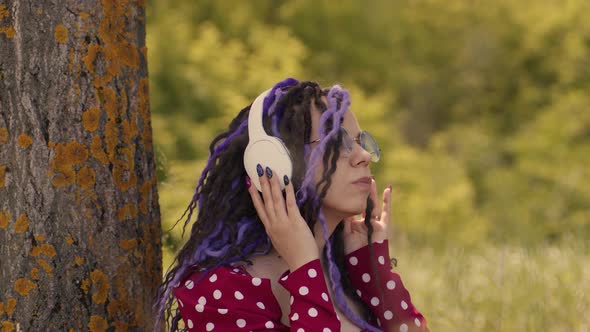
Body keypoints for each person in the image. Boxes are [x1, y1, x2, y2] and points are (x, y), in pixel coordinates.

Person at [154, 78, 429, 332]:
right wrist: (305, 268)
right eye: (337, 142)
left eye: (360, 141)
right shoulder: (220, 292)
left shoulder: (350, 274)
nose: (364, 156)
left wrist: (373, 269)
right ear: (276, 161)